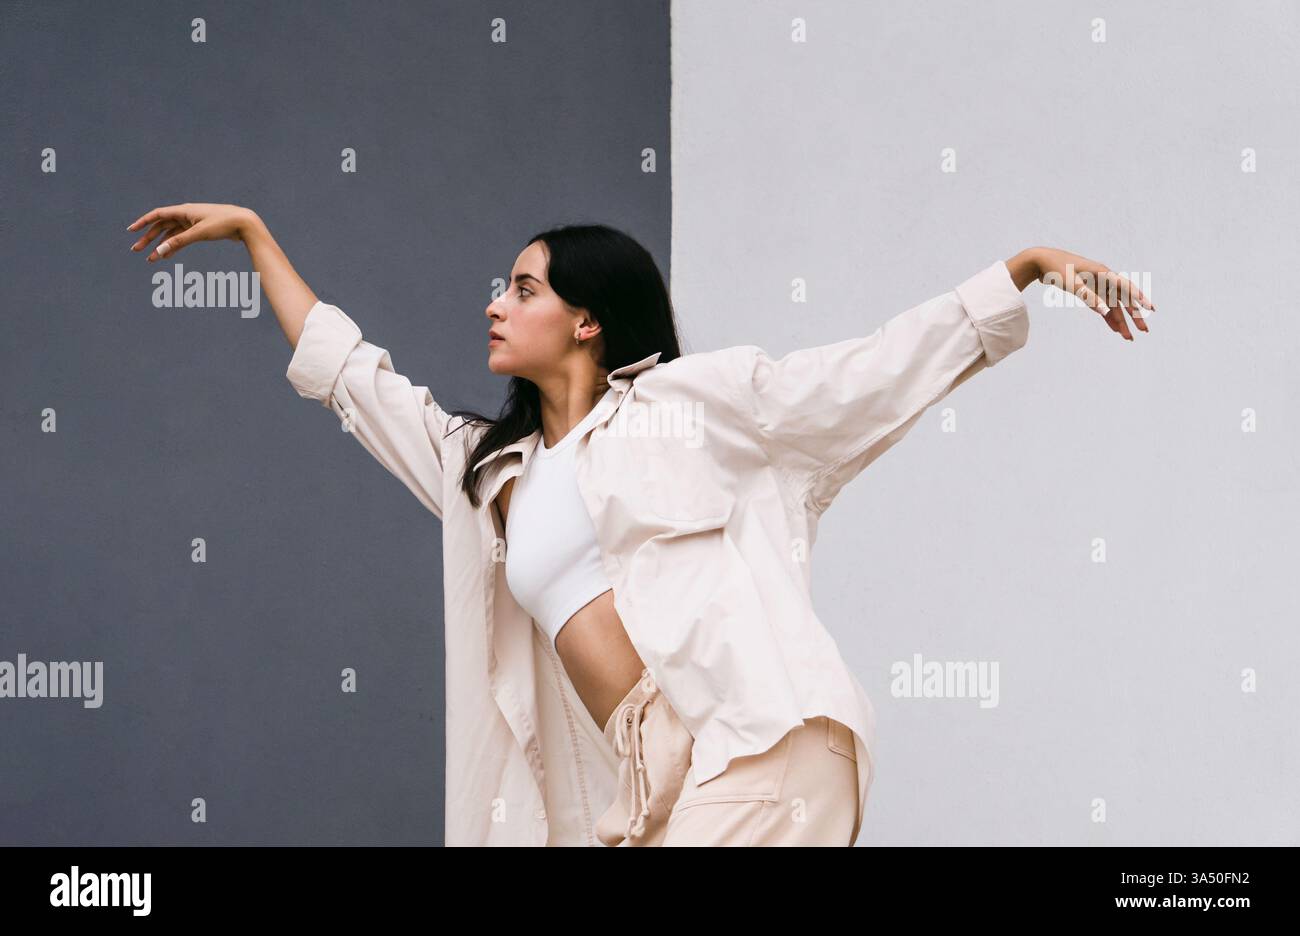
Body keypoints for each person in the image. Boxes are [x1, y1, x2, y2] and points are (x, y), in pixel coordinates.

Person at [126, 204, 1153, 846]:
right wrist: (258, 238)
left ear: (586, 319)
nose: (494, 305)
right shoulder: (489, 471)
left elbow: (857, 378)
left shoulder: (691, 405)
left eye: (521, 288)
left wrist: (1012, 273)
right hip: (644, 771)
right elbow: (356, 381)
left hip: (756, 733)